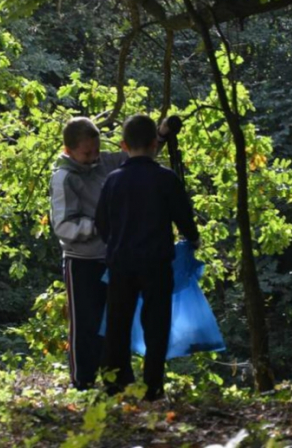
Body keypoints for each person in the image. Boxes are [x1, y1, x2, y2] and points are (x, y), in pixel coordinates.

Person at [95, 114, 200, 401]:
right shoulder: (166, 178)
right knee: (156, 326)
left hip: (121, 263)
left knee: (118, 323)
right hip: (156, 263)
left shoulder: (113, 180)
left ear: (123, 144)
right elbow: (184, 217)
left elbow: (101, 223)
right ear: (156, 143)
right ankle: (152, 388)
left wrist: (113, 243)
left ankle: (115, 386)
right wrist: (193, 238)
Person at [49, 117, 129, 390]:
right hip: (81, 262)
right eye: (86, 153)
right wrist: (97, 225)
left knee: (115, 322)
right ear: (69, 150)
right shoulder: (64, 178)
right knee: (86, 325)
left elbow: (137, 154)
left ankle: (115, 382)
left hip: (111, 258)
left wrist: (161, 135)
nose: (93, 158)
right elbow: (62, 225)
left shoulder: (105, 162)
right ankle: (82, 382)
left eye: (96, 150)